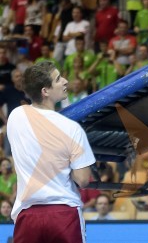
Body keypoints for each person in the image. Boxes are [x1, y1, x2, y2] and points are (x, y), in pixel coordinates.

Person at [7, 61, 95, 241]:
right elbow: (83, 180)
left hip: (27, 215)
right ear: (44, 91)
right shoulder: (72, 129)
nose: (65, 81)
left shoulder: (15, 117)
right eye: (58, 79)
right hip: (64, 213)